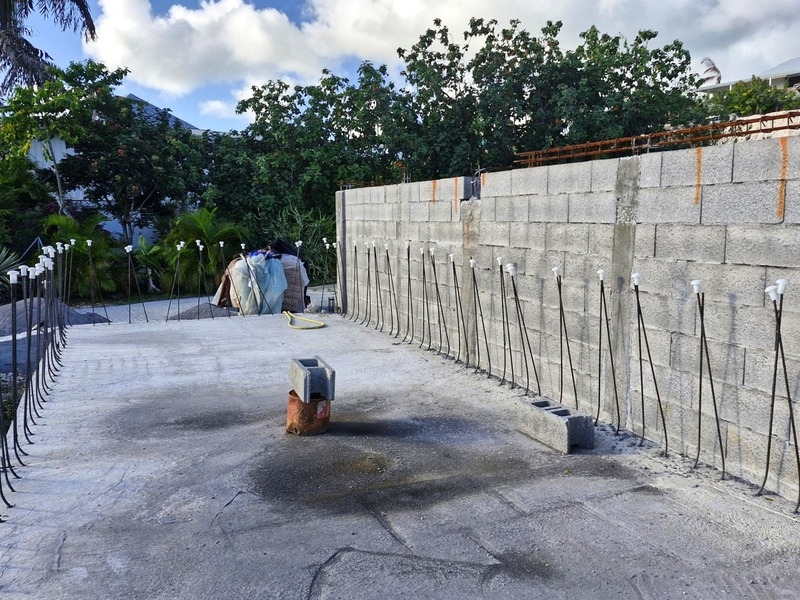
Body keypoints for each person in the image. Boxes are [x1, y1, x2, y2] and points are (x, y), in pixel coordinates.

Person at [268, 239, 310, 313]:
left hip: (299, 270)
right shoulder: (290, 254)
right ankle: (299, 304)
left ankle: (297, 304)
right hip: (301, 270)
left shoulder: (285, 257)